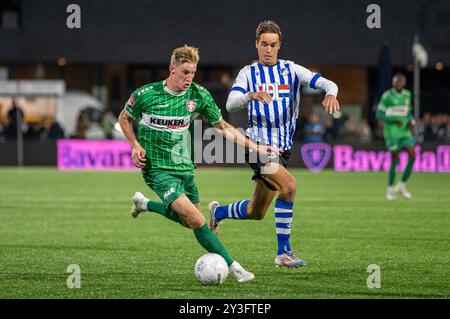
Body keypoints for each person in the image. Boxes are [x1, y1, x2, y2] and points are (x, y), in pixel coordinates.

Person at [118, 45, 275, 283]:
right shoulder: (146, 95)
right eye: (184, 72)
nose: (189, 78)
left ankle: (145, 204)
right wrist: (135, 146)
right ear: (172, 69)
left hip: (185, 168)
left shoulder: (198, 95)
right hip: (158, 170)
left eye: (193, 72)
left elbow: (223, 127)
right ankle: (235, 268)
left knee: (188, 221)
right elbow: (124, 117)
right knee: (199, 221)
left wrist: (256, 147)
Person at [208, 21, 340, 268]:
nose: (268, 49)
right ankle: (284, 253)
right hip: (257, 146)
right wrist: (250, 95)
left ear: (279, 46)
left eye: (273, 45)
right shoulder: (248, 73)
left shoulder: (292, 70)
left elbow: (327, 83)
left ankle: (218, 213)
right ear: (256, 44)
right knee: (289, 186)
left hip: (282, 149)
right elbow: (231, 104)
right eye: (264, 44)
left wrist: (330, 93)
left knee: (256, 211)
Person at [376, 73, 415, 200]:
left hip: (404, 132)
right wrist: (392, 122)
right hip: (391, 133)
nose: (396, 84)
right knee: (395, 159)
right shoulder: (387, 96)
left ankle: (402, 186)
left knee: (413, 155)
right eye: (395, 82)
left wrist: (410, 122)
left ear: (403, 83)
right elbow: (379, 116)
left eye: (399, 82)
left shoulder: (407, 95)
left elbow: (408, 113)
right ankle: (390, 190)